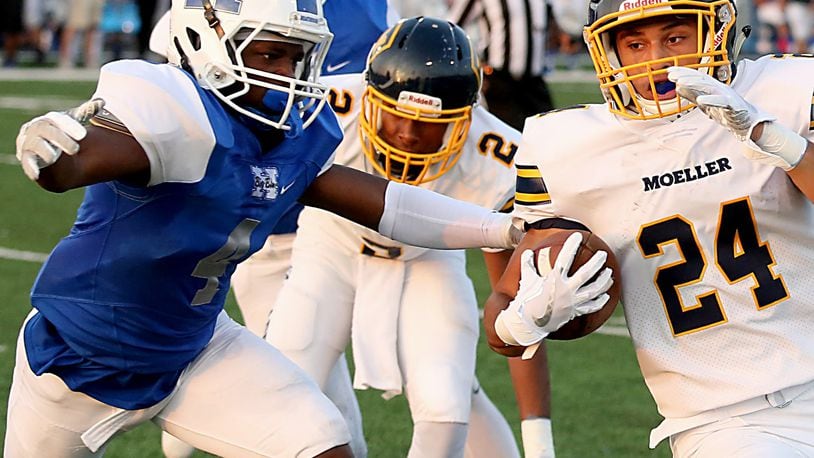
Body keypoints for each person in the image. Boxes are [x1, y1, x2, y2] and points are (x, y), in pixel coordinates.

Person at [4, 0, 527, 456]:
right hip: (76, 362)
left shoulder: (286, 127)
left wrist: (502, 229)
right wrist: (53, 154)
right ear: (205, 42)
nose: (290, 73)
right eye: (271, 55)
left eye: (298, 56)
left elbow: (384, 203)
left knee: (321, 439)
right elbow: (86, 156)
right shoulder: (170, 104)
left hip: (196, 348)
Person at [484, 0, 814, 456]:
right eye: (635, 44)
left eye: (674, 38)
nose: (654, 58)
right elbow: (501, 312)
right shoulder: (568, 148)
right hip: (724, 419)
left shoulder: (785, 91)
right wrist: (526, 319)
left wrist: (773, 138)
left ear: (716, 33)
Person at [259, 16, 556, 458]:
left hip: (429, 258)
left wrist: (540, 439)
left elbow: (513, 299)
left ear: (467, 119)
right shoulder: (323, 105)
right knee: (283, 389)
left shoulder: (500, 157)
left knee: (444, 407)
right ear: (370, 97)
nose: (409, 134)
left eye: (429, 122)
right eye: (397, 114)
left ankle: (457, 379)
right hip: (330, 247)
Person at [447, 0, 554, 130]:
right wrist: (473, 64)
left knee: (548, 134)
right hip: (498, 80)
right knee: (511, 138)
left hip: (534, 81)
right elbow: (450, 30)